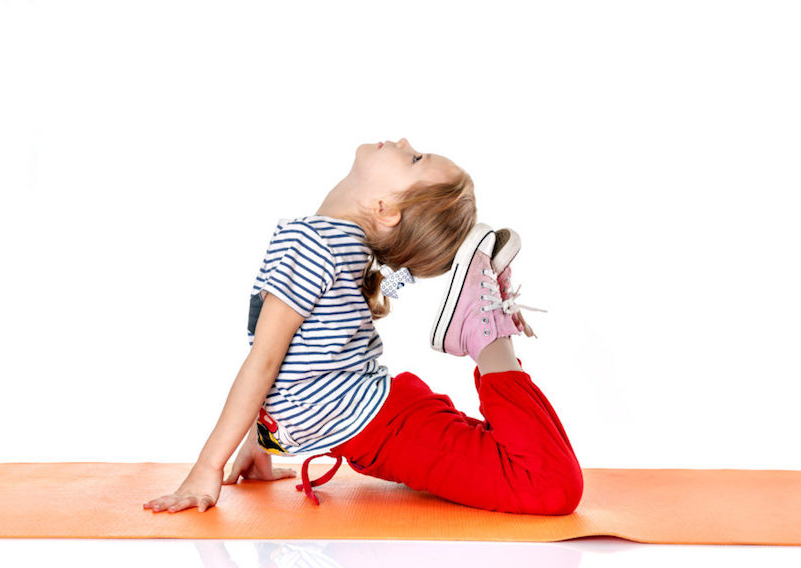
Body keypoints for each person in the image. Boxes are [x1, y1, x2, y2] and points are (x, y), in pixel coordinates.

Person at [143, 138, 583, 516]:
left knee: (548, 484)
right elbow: (299, 358)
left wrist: (208, 468)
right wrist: (259, 446)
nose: (405, 141)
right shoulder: (327, 243)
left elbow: (266, 361)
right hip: (385, 426)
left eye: (414, 159)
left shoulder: (313, 243)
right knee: (527, 465)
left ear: (385, 209)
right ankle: (483, 330)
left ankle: (484, 332)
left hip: (390, 429)